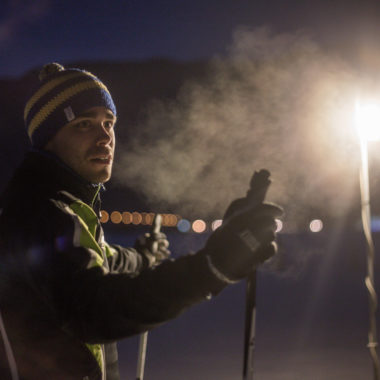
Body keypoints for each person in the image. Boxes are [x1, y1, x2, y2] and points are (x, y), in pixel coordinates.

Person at [0, 63, 282, 380]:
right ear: (48, 139)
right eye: (83, 124)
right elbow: (90, 309)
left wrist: (144, 257)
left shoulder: (62, 203)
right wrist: (211, 267)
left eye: (109, 123)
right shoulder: (40, 210)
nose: (104, 136)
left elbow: (100, 259)